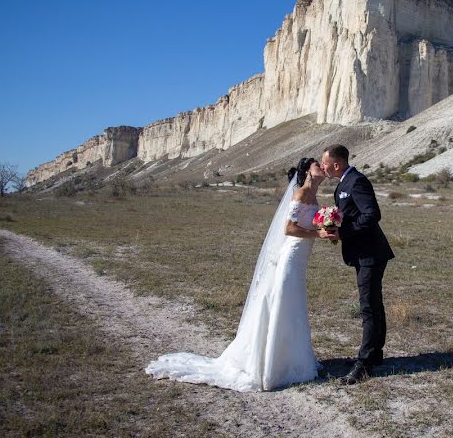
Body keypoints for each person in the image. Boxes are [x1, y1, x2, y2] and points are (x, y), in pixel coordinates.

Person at [145, 158, 327, 391]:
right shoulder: (300, 195)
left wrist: (327, 227)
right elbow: (289, 229)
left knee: (295, 306)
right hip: (290, 257)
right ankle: (271, 365)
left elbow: (310, 225)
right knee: (284, 302)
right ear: (308, 173)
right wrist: (318, 234)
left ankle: (293, 359)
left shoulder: (315, 198)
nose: (321, 167)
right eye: (317, 165)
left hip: (301, 258)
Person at [319, 145, 395, 385]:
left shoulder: (357, 181)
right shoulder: (343, 182)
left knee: (368, 307)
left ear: (336, 164)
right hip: (362, 253)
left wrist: (343, 233)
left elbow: (372, 215)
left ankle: (364, 363)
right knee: (373, 303)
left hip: (370, 253)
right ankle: (375, 354)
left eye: (325, 163)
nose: (322, 166)